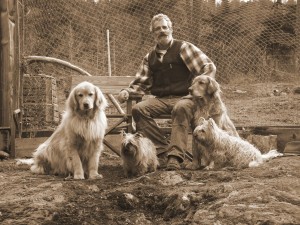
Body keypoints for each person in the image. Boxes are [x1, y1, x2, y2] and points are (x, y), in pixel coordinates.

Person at [118, 13, 216, 170]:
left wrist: (199, 89)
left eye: (164, 27)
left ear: (171, 29)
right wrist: (127, 92)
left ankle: (175, 158)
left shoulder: (183, 48)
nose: (161, 31)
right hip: (162, 99)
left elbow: (208, 67)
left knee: (180, 107)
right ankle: (163, 151)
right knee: (138, 109)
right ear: (153, 33)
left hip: (186, 98)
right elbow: (141, 82)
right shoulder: (149, 57)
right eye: (157, 29)